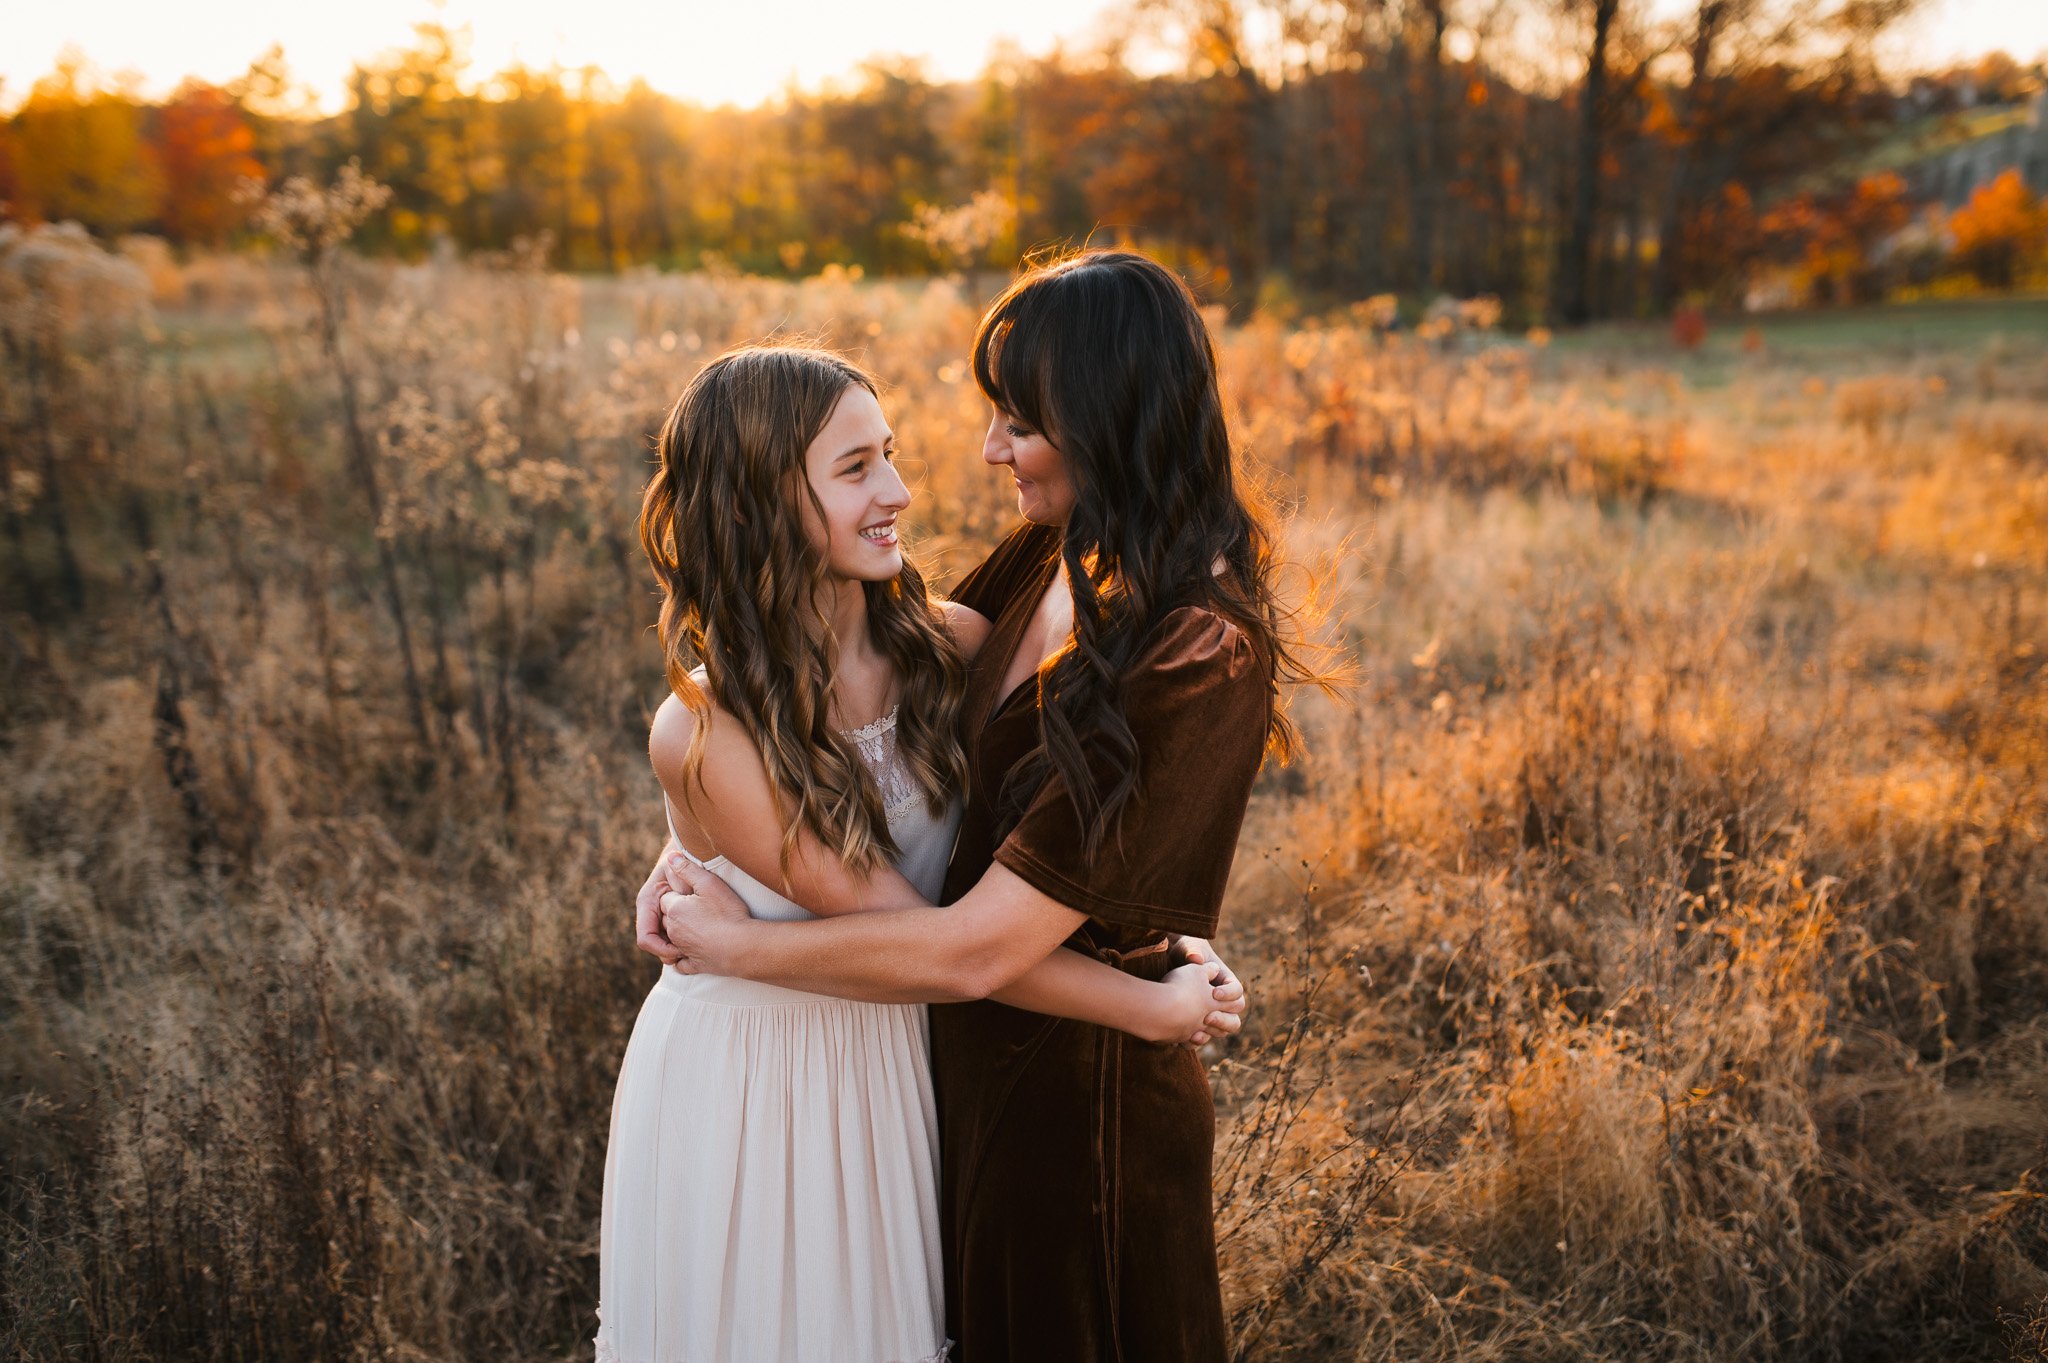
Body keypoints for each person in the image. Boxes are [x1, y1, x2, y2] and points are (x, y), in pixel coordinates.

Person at [651, 251, 1317, 1362]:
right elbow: (852, 730)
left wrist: (731, 944)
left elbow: (976, 940)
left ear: (1103, 415)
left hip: (1074, 1104)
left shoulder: (1197, 642)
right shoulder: (1049, 555)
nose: (988, 449)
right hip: (933, 1070)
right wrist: (695, 836)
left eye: (1019, 420)